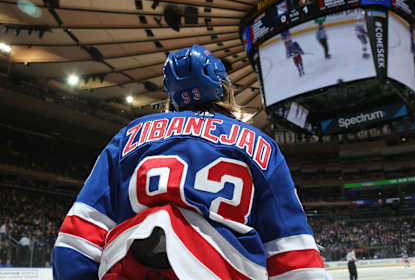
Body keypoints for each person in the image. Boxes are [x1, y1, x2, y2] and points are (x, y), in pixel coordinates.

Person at [52, 44, 327, 280]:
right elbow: (292, 252)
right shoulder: (259, 144)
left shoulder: (130, 135)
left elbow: (79, 236)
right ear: (223, 90)